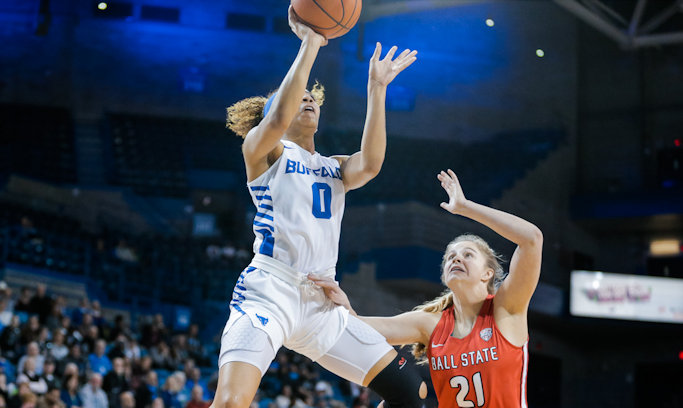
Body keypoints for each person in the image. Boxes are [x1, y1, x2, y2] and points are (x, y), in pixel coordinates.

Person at [217, 6, 422, 408]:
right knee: (230, 403)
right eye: (296, 95)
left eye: (312, 95)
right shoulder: (263, 150)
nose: (307, 97)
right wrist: (312, 43)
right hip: (269, 292)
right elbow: (275, 121)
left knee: (413, 394)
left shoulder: (335, 168)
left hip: (321, 302)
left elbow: (372, 162)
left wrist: (377, 91)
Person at [311, 170, 543, 408]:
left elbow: (532, 239)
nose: (456, 259)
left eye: (468, 255)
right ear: (443, 274)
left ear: (488, 273)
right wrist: (345, 305)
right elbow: (359, 330)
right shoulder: (429, 324)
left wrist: (465, 207)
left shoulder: (505, 310)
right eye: (451, 257)